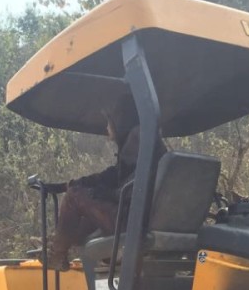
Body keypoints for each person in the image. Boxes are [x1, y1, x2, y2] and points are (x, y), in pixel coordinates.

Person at [47, 93, 164, 269]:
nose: (107, 130)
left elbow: (133, 186)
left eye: (109, 123)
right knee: (85, 206)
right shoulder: (148, 147)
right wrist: (67, 185)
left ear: (119, 123)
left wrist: (107, 193)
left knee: (73, 197)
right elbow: (109, 176)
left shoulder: (138, 141)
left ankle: (57, 254)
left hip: (131, 222)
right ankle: (57, 242)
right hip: (141, 218)